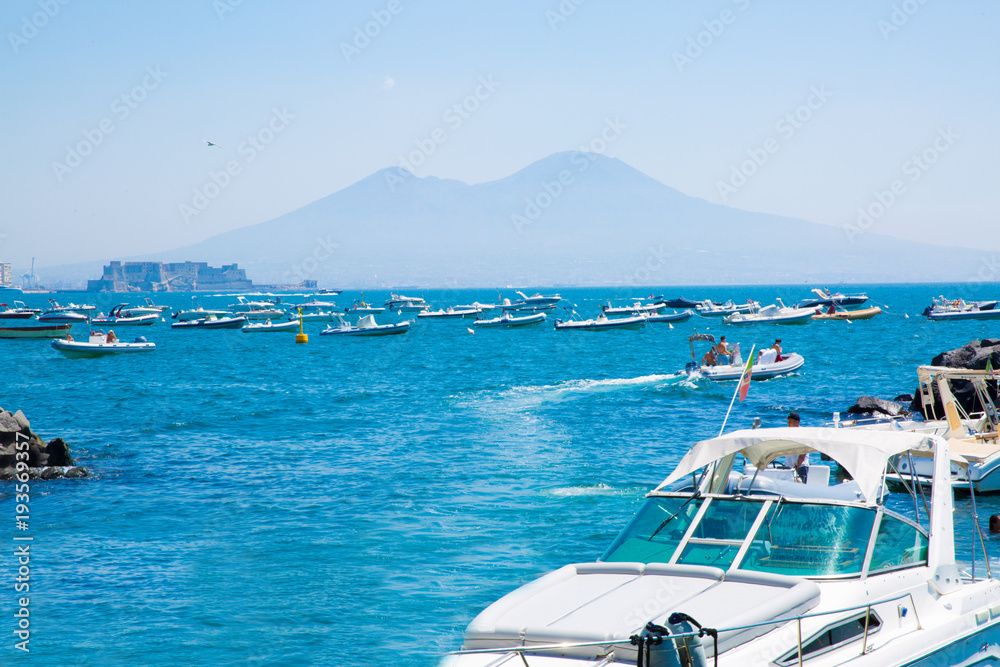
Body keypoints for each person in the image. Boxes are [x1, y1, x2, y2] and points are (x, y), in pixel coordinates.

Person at [783, 412, 808, 482]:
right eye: (788, 422)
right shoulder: (786, 433)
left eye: (790, 421)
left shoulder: (804, 433)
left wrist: (795, 468)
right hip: (788, 467)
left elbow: (803, 455)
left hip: (801, 467)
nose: (788, 423)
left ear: (796, 422)